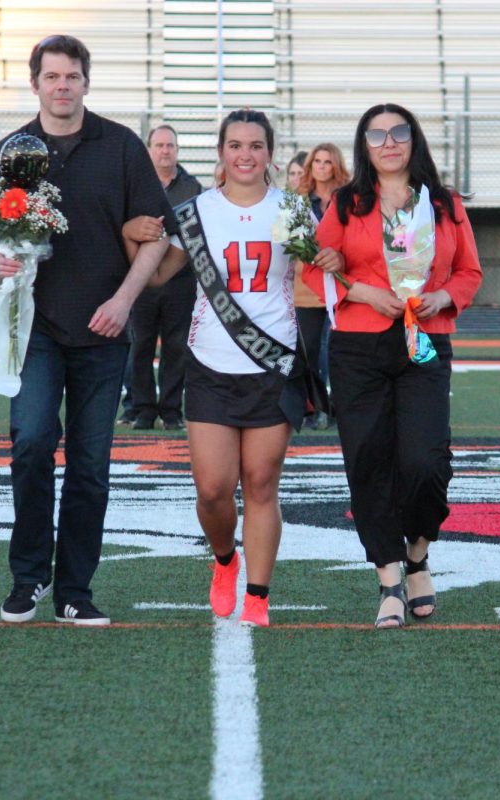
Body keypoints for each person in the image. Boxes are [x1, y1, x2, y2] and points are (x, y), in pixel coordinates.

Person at [0, 34, 177, 626]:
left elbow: (156, 235)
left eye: (72, 76)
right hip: (33, 329)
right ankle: (28, 578)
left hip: (104, 332)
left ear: (86, 81)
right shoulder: (13, 150)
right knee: (31, 444)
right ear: (35, 83)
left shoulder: (123, 146)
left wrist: (124, 300)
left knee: (90, 465)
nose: (62, 86)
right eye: (52, 77)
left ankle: (75, 591)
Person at [133, 110, 339, 627]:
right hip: (209, 364)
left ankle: (258, 597)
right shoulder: (196, 211)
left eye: (255, 145)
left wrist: (336, 261)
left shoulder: (291, 208)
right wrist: (128, 234)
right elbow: (157, 275)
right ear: (221, 153)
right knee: (212, 490)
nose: (245, 155)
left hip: (273, 364)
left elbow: (319, 273)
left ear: (269, 153)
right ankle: (224, 558)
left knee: (262, 482)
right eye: (234, 145)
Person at [303, 103, 482, 629]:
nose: (388, 142)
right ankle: (388, 579)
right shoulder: (345, 203)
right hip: (359, 345)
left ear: (413, 139)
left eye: (398, 132)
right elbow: (314, 267)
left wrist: (444, 296)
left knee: (426, 461)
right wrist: (360, 289)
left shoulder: (444, 204)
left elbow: (470, 271)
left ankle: (418, 556)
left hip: (423, 342)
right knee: (368, 461)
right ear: (364, 145)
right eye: (376, 134)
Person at [121, 125, 203, 430]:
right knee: (140, 345)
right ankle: (143, 409)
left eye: (170, 145)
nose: (165, 150)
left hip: (181, 280)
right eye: (159, 145)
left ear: (177, 150)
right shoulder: (136, 185)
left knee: (176, 347)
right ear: (149, 150)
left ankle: (170, 410)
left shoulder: (193, 188)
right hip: (142, 278)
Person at [293, 143, 351, 429]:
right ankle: (316, 408)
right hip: (307, 287)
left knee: (340, 351)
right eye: (317, 161)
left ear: (336, 166)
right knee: (309, 352)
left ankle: (341, 407)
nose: (322, 166)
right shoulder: (298, 200)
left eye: (328, 161)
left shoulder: (350, 199)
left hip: (344, 286)